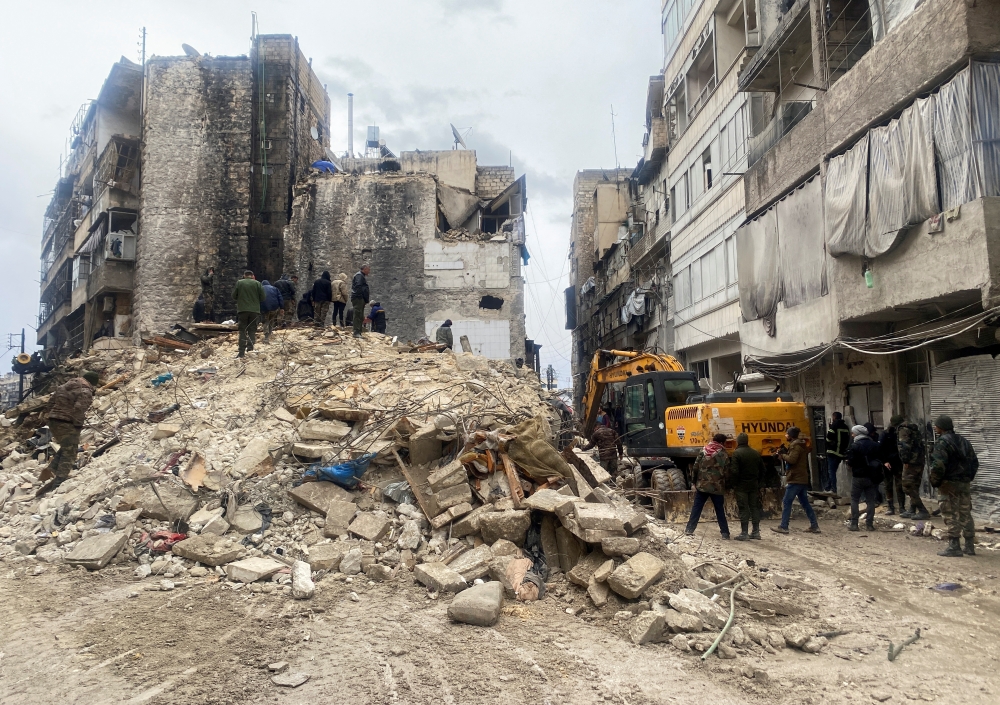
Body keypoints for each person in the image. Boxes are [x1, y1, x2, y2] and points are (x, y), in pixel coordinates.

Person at [36, 371, 99, 497]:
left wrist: (52, 415)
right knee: (71, 451)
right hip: (67, 422)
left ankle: (52, 469)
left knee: (67, 446)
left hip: (53, 420)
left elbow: (50, 403)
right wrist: (77, 424)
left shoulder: (64, 386)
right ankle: (60, 480)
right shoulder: (85, 391)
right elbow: (79, 409)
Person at [929, 415, 979, 557]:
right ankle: (969, 545)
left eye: (936, 425)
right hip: (964, 483)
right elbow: (975, 462)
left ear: (941, 427)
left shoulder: (942, 443)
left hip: (948, 483)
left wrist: (935, 481)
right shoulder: (964, 441)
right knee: (965, 511)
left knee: (950, 513)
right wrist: (968, 477)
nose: (935, 428)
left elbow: (938, 466)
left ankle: (954, 545)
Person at [772, 426, 820, 534]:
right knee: (805, 503)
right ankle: (814, 525)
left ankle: (784, 526)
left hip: (795, 479)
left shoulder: (796, 446)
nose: (785, 436)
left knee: (786, 501)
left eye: (787, 434)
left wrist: (782, 455)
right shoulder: (801, 445)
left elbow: (792, 460)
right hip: (801, 478)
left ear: (791, 435)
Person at [685, 433, 731, 539]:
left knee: (697, 508)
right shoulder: (723, 454)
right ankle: (725, 533)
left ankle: (689, 529)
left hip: (702, 486)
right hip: (717, 488)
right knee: (719, 510)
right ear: (721, 442)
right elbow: (727, 472)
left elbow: (695, 468)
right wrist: (728, 486)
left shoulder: (703, 451)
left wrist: (693, 483)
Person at [845, 425, 882, 531]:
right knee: (870, 501)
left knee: (854, 499)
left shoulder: (855, 446)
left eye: (853, 433)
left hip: (858, 476)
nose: (852, 435)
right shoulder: (874, 445)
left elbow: (851, 462)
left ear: (857, 434)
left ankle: (854, 524)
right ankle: (869, 524)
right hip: (871, 477)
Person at [730, 433, 764, 541]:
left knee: (743, 508)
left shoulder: (737, 453)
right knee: (754, 507)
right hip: (753, 484)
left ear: (738, 441)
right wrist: (760, 483)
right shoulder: (755, 453)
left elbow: (734, 471)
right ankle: (756, 531)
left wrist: (732, 484)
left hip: (741, 485)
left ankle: (744, 532)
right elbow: (763, 470)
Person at [897, 418, 930, 520]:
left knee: (907, 486)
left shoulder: (903, 430)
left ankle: (922, 510)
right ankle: (912, 509)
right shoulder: (915, 429)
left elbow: (904, 446)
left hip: (911, 462)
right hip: (919, 460)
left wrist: (905, 460)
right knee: (914, 486)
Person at [232, 270, 264, 358]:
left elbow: (234, 296)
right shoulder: (257, 283)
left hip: (242, 310)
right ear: (252, 276)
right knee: (252, 330)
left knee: (242, 331)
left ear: (244, 275)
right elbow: (263, 297)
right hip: (255, 311)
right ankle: (250, 349)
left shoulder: (239, 283)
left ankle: (241, 352)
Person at [879, 415, 905, 515]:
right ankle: (890, 507)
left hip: (898, 462)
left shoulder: (901, 434)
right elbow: (880, 449)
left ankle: (902, 507)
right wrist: (885, 461)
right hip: (888, 464)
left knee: (900, 485)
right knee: (888, 485)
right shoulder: (885, 434)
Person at [824, 411, 850, 492]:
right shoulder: (846, 427)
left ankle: (833, 489)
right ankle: (827, 487)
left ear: (834, 417)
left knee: (831, 471)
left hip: (833, 452)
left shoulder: (834, 426)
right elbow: (847, 439)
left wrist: (830, 444)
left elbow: (828, 438)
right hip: (841, 453)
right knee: (832, 470)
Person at [260, 279, 283, 343]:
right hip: (274, 308)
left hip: (264, 308)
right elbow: (280, 298)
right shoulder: (275, 288)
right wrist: (281, 308)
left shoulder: (260, 289)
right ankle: (269, 334)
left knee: (265, 321)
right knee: (271, 321)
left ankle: (266, 337)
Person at [351, 265, 371, 338]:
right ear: (364, 269)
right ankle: (356, 332)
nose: (369, 271)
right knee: (358, 314)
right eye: (368, 270)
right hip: (358, 298)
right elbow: (358, 287)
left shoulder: (361, 276)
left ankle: (359, 331)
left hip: (360, 298)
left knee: (360, 314)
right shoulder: (359, 276)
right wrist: (360, 297)